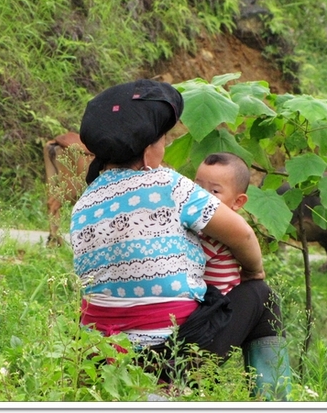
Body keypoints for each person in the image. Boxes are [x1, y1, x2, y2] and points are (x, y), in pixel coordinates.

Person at [70, 79, 291, 400]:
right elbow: (241, 233)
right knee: (262, 296)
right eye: (163, 138)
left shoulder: (83, 204)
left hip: (102, 358)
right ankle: (275, 401)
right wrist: (254, 274)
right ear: (148, 150)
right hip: (172, 356)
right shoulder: (168, 184)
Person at [194, 152, 250, 295]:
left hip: (216, 305)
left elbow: (185, 261)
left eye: (214, 191)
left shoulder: (216, 234)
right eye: (197, 187)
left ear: (238, 202)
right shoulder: (204, 229)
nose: (202, 196)